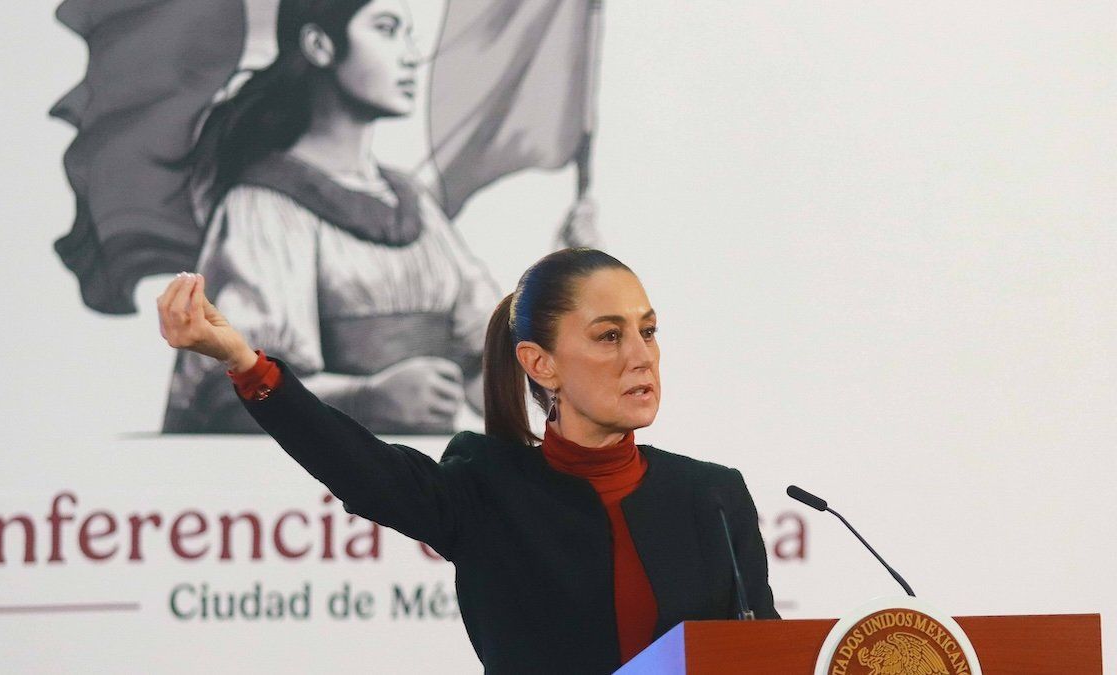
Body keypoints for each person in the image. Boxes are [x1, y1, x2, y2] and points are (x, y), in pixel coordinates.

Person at [158, 248, 779, 674]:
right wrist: (247, 364)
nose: (642, 356)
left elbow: (764, 654)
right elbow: (361, 468)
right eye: (610, 336)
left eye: (649, 330)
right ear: (541, 363)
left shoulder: (713, 496)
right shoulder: (488, 487)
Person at [162, 0, 501, 435]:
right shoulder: (264, 206)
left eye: (408, 33)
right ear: (320, 45)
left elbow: (485, 362)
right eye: (385, 28)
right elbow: (233, 390)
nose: (412, 56)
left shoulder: (413, 203)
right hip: (312, 492)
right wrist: (367, 398)